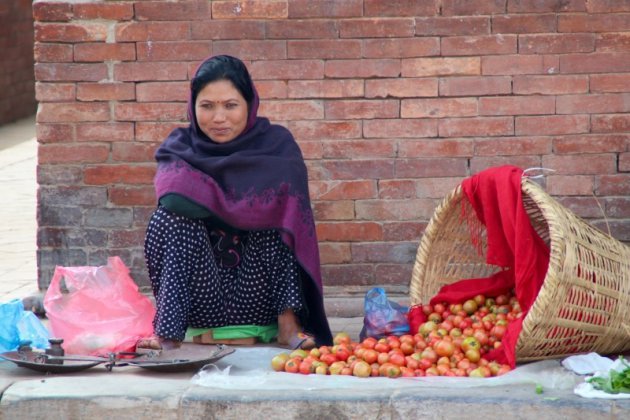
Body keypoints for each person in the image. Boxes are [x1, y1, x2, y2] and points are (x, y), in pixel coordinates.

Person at [138, 55, 333, 351]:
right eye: (207, 106)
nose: (218, 118)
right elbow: (174, 199)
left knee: (279, 208)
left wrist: (220, 200)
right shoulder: (179, 146)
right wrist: (244, 204)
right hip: (201, 296)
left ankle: (288, 325)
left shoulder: (277, 145)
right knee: (169, 218)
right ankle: (168, 332)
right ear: (193, 107)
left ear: (249, 105)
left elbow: (287, 209)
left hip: (258, 295)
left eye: (230, 105)